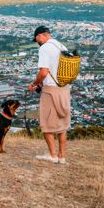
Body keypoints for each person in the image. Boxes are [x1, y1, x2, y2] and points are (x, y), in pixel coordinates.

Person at [27, 26, 71, 165]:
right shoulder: (61, 45)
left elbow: (44, 72)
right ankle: (61, 156)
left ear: (41, 36)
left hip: (51, 90)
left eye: (36, 39)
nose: (37, 42)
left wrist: (35, 84)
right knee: (62, 123)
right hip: (65, 88)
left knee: (46, 123)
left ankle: (53, 155)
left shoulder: (45, 48)